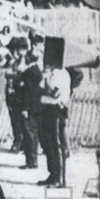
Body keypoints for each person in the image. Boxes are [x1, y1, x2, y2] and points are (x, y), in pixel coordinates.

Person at [37, 58, 71, 188]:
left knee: (56, 144)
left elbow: (55, 93)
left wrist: (45, 81)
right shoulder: (54, 73)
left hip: (56, 109)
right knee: (49, 144)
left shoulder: (59, 74)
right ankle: (53, 174)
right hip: (49, 110)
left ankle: (58, 177)